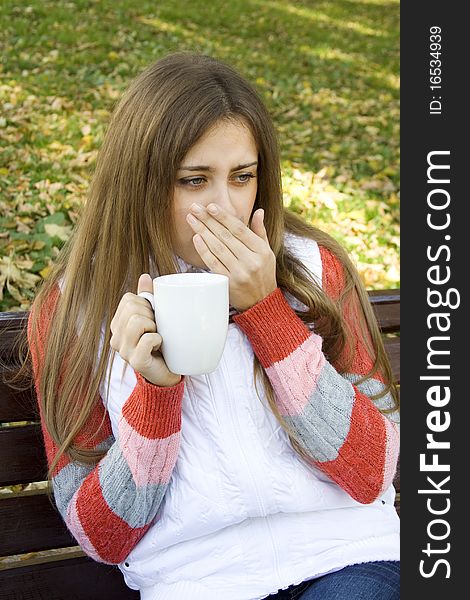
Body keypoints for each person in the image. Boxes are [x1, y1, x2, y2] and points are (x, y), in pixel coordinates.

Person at [26, 52, 400, 599]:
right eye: (194, 180)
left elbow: (375, 469)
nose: (223, 207)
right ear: (141, 181)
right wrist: (154, 395)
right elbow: (102, 537)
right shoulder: (74, 310)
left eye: (242, 176)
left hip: (348, 554)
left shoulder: (315, 270)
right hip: (195, 579)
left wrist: (270, 314)